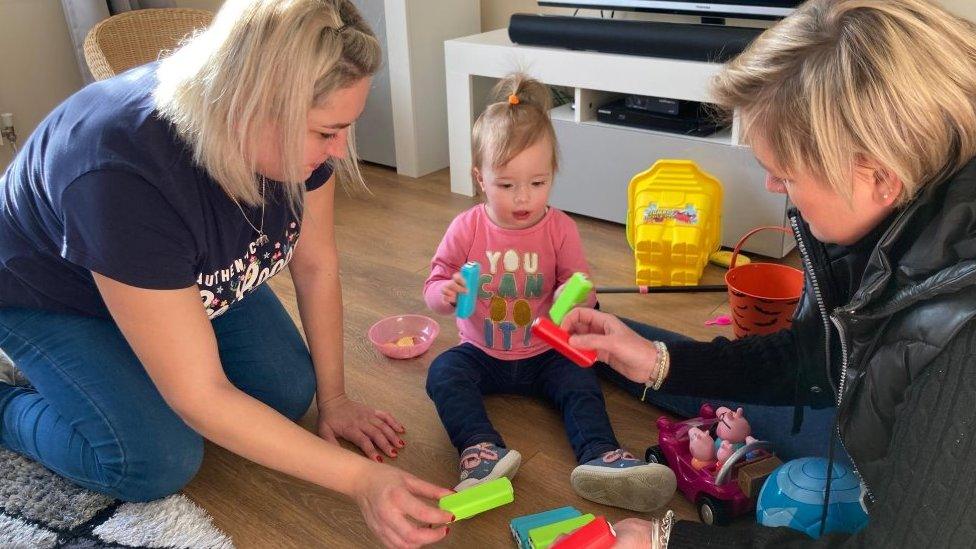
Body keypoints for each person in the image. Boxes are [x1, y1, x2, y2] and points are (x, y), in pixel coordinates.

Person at [0, 1, 452, 547]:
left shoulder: (287, 139)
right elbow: (199, 396)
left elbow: (316, 263)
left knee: (286, 391)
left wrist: (334, 401)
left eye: (346, 128)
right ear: (252, 106)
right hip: (49, 294)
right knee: (154, 459)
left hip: (176, 276)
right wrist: (360, 481)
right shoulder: (120, 175)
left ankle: (128, 359)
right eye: (326, 132)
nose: (340, 150)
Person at [562, 0, 976, 545]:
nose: (775, 190)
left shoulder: (960, 351)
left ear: (879, 175)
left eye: (786, 175)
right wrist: (659, 362)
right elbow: (814, 357)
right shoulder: (880, 217)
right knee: (645, 355)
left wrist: (671, 541)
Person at [423, 74, 676, 512]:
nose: (523, 198)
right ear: (479, 178)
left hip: (544, 351)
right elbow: (434, 283)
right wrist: (445, 292)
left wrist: (578, 298)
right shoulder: (467, 228)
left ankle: (602, 456)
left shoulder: (559, 228)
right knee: (443, 373)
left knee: (582, 381)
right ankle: (481, 453)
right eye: (506, 185)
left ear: (552, 176)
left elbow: (579, 287)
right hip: (481, 350)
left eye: (537, 183)